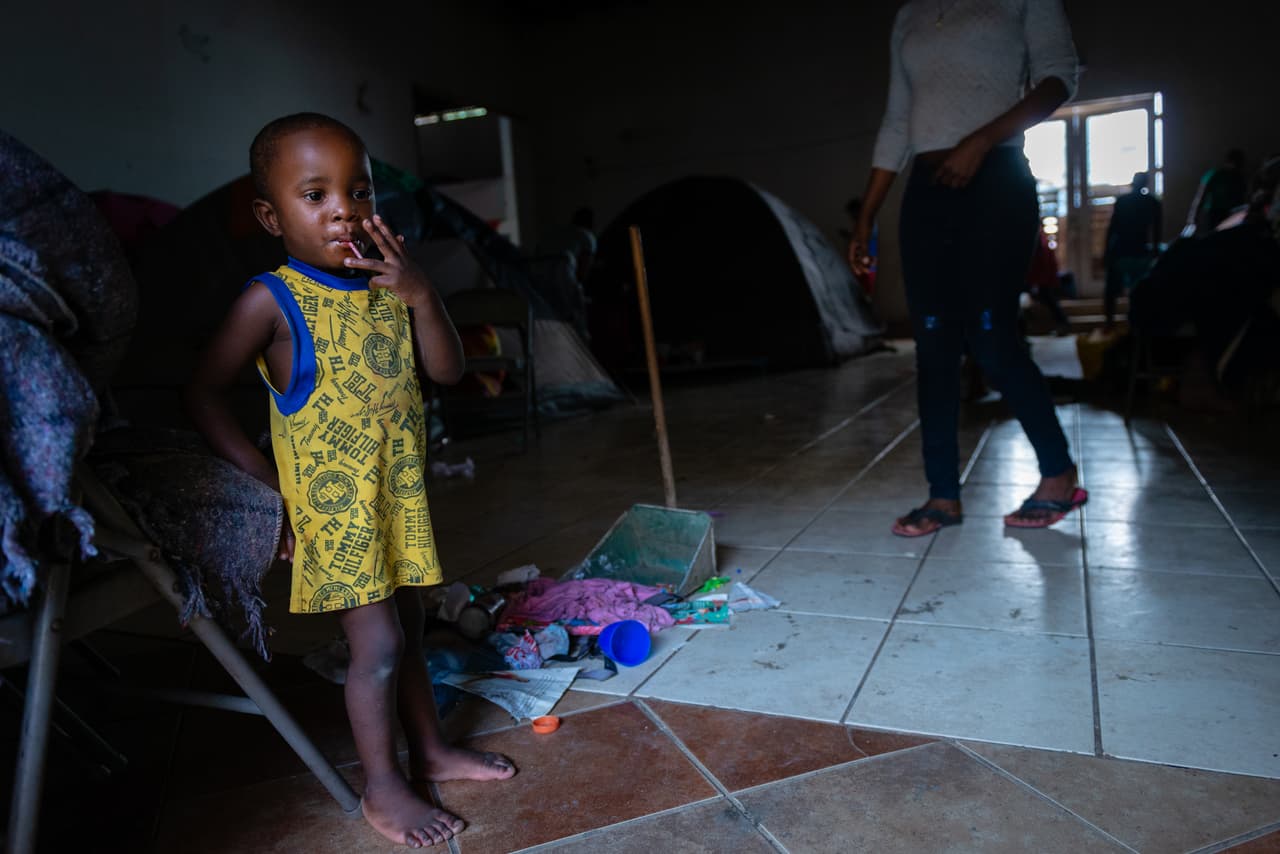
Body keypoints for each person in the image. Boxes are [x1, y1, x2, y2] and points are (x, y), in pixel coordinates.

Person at [186, 113, 516, 849]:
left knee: (413, 629)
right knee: (377, 647)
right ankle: (383, 784)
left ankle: (430, 749)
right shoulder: (271, 301)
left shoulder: (390, 286)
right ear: (272, 216)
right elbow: (203, 392)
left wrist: (423, 295)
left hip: (397, 499)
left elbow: (449, 372)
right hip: (333, 514)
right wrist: (265, 488)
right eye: (315, 194)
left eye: (359, 189)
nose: (344, 208)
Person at [848, 0, 1087, 536]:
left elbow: (1058, 78)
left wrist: (982, 140)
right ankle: (942, 497)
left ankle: (1058, 473)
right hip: (926, 193)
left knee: (991, 336)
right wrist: (866, 215)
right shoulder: (910, 12)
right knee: (933, 346)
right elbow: (897, 119)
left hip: (996, 182)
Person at [1104, 171, 1163, 330]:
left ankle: (1110, 323)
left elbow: (1112, 229)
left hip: (1122, 251)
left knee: (1113, 291)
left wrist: (1107, 252)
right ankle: (1138, 324)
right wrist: (1156, 252)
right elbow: (1156, 231)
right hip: (1139, 251)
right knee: (1139, 291)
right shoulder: (1152, 202)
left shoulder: (1123, 201)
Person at [1185, 148, 1248, 236]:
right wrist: (1192, 220)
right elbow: (1200, 197)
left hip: (1230, 215)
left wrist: (1192, 219)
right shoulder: (1215, 175)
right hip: (1215, 215)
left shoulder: (1238, 177)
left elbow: (1242, 199)